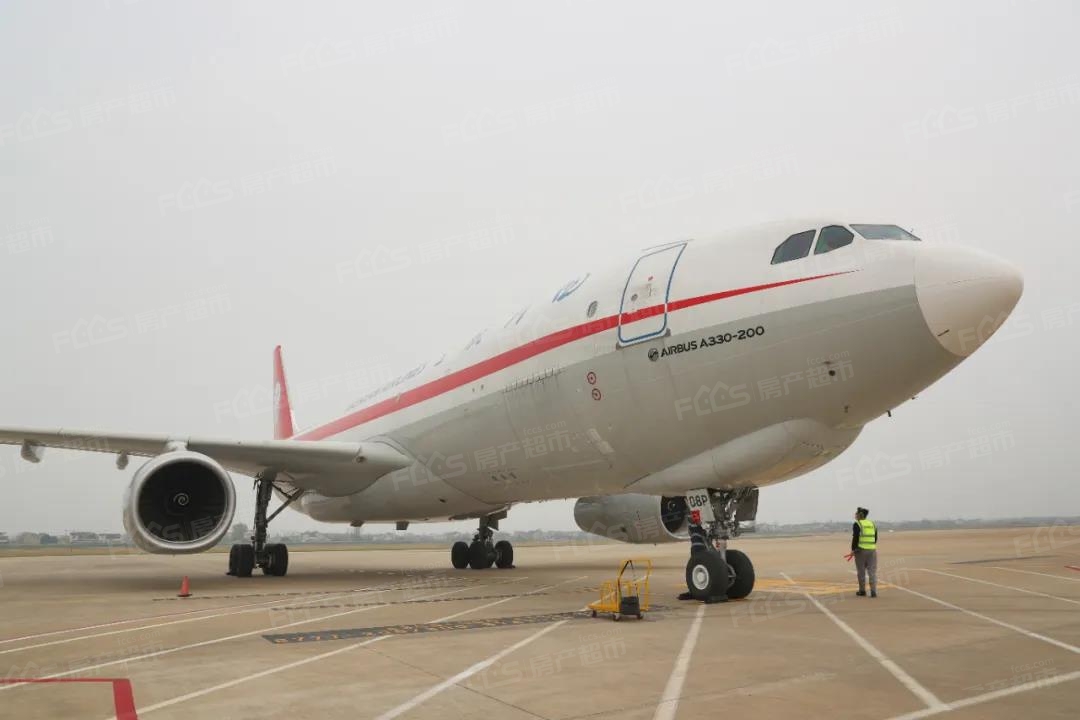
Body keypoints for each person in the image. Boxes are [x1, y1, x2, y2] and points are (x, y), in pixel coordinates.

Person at [852, 507, 878, 597]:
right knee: (872, 571)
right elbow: (875, 538)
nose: (855, 515)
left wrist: (853, 549)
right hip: (872, 550)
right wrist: (871, 546)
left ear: (859, 515)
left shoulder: (857, 524)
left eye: (856, 514)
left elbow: (855, 537)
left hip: (861, 551)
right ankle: (873, 591)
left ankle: (862, 590)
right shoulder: (872, 523)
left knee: (861, 571)